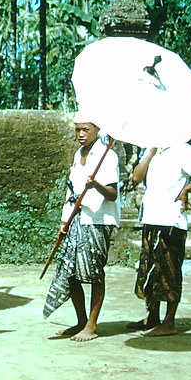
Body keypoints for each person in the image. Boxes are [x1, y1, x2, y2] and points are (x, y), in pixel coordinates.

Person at [129, 143, 191, 336]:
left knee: (168, 271)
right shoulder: (152, 149)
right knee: (150, 268)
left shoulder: (181, 149)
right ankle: (152, 316)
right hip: (151, 218)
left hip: (171, 220)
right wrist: (151, 151)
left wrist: (187, 189)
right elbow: (136, 177)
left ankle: (169, 322)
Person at [42, 115, 119, 342]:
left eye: (85, 129)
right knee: (71, 273)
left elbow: (112, 195)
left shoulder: (108, 156)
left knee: (93, 273)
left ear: (97, 130)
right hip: (76, 219)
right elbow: (71, 193)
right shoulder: (78, 155)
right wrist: (64, 222)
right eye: (77, 130)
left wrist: (96, 185)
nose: (81, 134)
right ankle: (81, 320)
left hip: (97, 221)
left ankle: (92, 326)